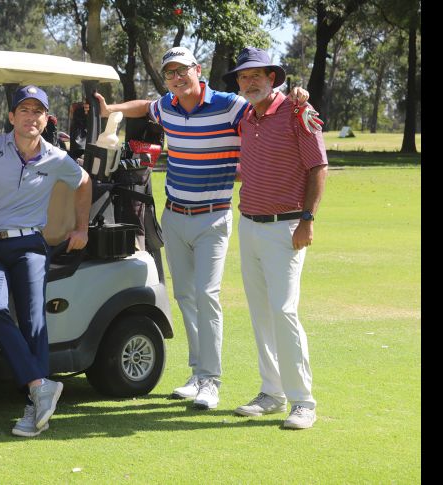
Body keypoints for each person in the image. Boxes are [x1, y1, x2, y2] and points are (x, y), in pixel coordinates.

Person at [94, 46, 309, 411]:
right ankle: (198, 373)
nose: (177, 78)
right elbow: (145, 106)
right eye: (170, 73)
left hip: (215, 216)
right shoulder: (168, 106)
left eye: (183, 71)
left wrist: (296, 95)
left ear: (198, 71)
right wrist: (111, 109)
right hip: (175, 216)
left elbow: (267, 107)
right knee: (185, 297)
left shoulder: (230, 105)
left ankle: (211, 381)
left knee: (207, 295)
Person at [0, 85, 91, 437]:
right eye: (24, 111)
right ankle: (40, 386)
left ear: (46, 119)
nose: (31, 117)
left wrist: (82, 227)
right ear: (12, 117)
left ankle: (34, 406)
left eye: (38, 111)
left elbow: (84, 181)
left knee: (33, 320)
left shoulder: (56, 158)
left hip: (29, 244)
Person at [224, 47, 327, 429]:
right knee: (261, 313)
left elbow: (317, 167)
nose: (249, 82)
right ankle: (272, 392)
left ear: (273, 78)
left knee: (284, 311)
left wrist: (308, 219)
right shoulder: (247, 116)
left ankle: (303, 401)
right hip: (249, 224)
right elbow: (256, 164)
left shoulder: (299, 111)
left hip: (286, 226)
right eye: (243, 77)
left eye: (256, 76)